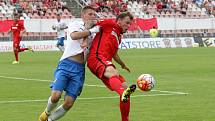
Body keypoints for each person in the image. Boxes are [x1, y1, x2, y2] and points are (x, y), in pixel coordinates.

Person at [38, 6, 99, 121]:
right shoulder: (75, 24)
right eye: (90, 14)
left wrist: (92, 31)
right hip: (66, 64)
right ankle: (47, 112)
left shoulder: (94, 32)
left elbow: (89, 47)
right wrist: (91, 30)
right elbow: (74, 36)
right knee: (55, 96)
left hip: (79, 69)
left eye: (94, 14)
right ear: (83, 15)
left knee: (69, 102)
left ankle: (49, 120)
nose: (93, 17)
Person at [87, 12, 136, 121]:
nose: (128, 26)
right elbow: (92, 23)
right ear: (119, 20)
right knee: (115, 77)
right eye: (127, 23)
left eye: (130, 24)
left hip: (107, 63)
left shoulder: (119, 36)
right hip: (96, 58)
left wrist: (123, 64)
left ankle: (125, 119)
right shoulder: (109, 24)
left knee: (125, 88)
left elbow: (114, 54)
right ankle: (123, 93)